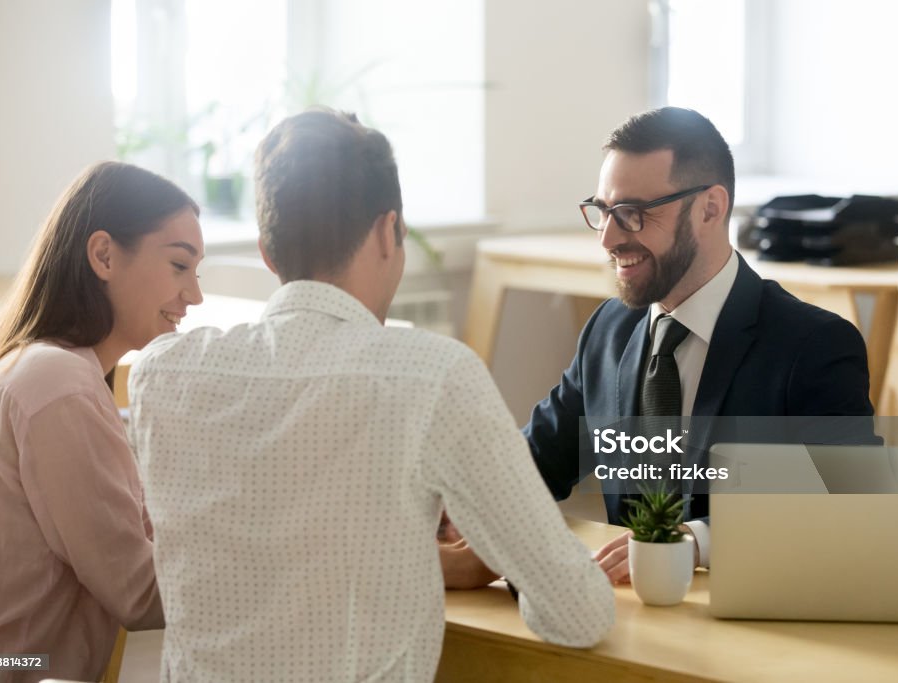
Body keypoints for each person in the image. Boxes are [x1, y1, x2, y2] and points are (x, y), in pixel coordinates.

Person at [127, 108, 614, 682]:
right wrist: (480, 559)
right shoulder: (434, 377)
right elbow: (578, 613)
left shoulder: (161, 373)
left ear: (267, 251)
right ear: (389, 232)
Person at [522, 106, 875, 582]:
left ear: (710, 207)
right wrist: (446, 511)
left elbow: (850, 504)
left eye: (633, 214)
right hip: (627, 618)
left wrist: (694, 542)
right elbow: (532, 462)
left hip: (754, 619)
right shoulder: (609, 330)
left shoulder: (813, 346)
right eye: (604, 211)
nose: (608, 237)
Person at [0, 161, 204, 682]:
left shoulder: (39, 368)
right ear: (103, 255)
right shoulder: (58, 386)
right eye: (179, 266)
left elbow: (134, 535)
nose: (195, 295)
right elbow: (141, 594)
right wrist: (292, 550)